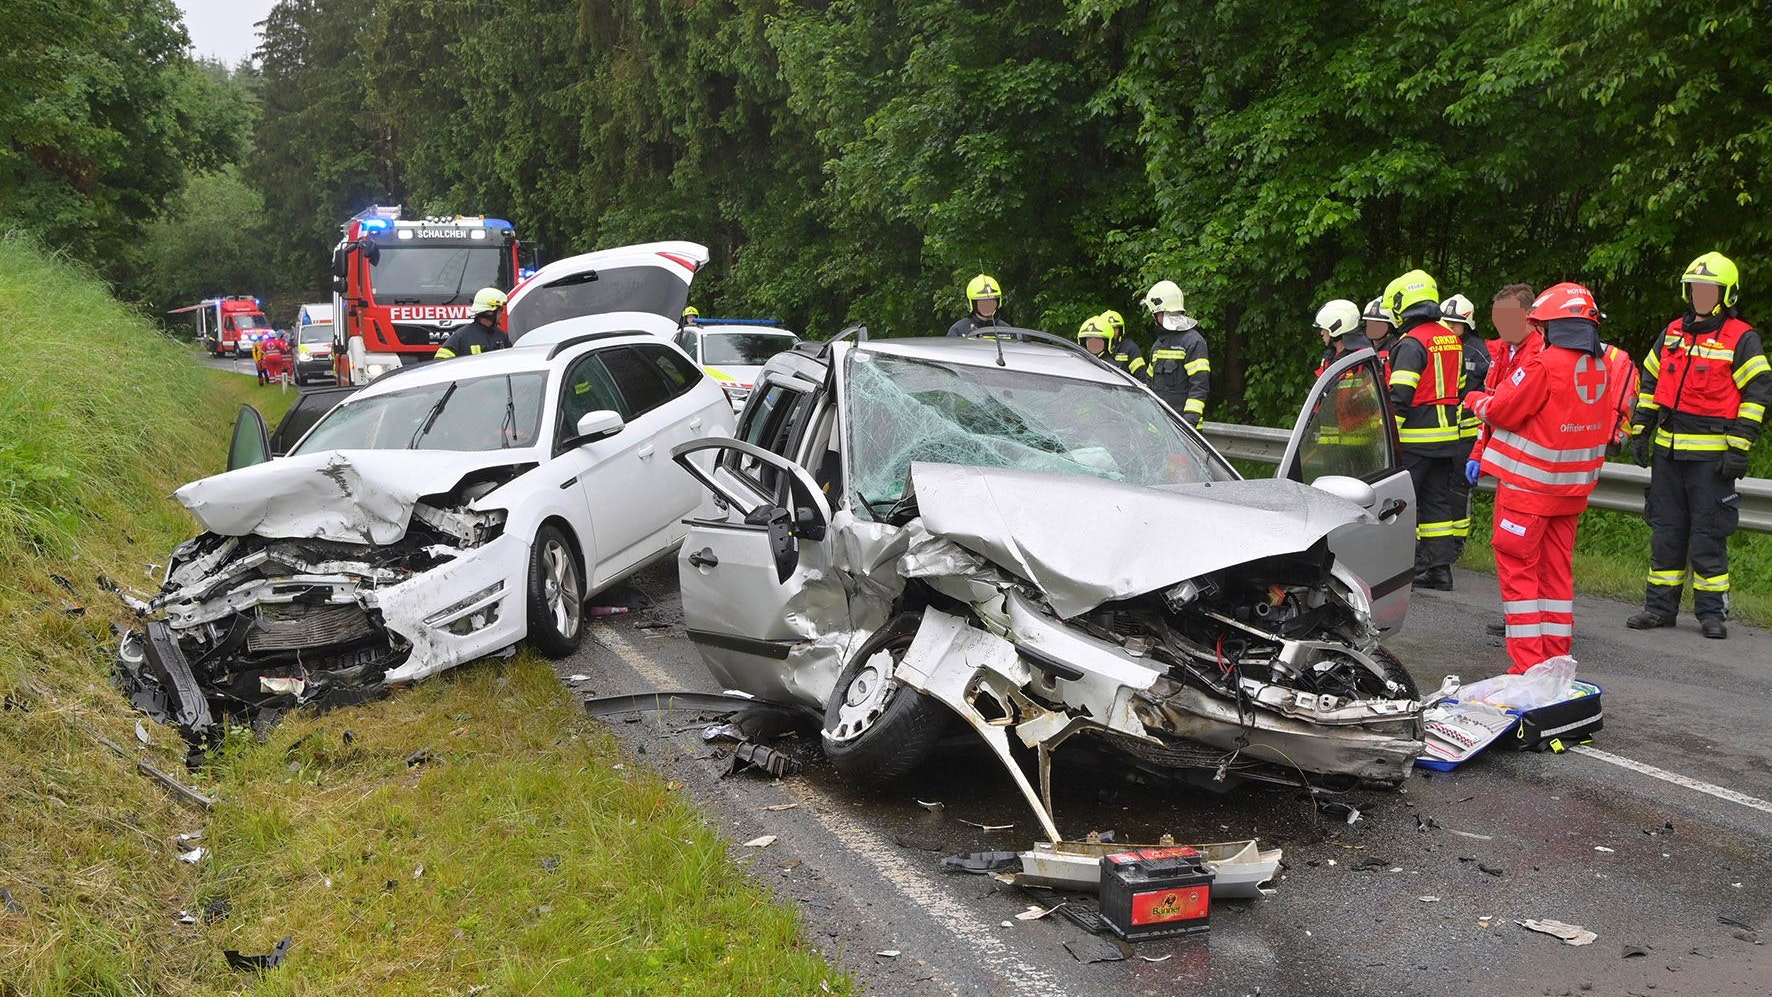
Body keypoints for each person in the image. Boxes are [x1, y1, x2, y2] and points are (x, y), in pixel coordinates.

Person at [1465, 282, 1631, 673]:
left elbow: (1503, 409)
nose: (1539, 331)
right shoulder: (1601, 364)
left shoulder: (1544, 364)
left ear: (1555, 325)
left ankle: (1528, 668)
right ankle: (1556, 661)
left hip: (1528, 492)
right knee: (1556, 574)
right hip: (1570, 492)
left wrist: (1475, 400)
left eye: (1542, 324)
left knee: (1519, 573)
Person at [1626, 252, 1769, 639]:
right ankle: (1659, 609)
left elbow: (1758, 392)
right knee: (1666, 533)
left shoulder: (1742, 338)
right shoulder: (1672, 332)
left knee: (1708, 536)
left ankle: (1711, 614)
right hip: (1668, 455)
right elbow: (1650, 382)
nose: (1700, 296)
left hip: (1711, 460)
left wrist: (1739, 446)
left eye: (1709, 290)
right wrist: (1641, 430)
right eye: (1695, 289)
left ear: (1727, 294)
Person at [1383, 269, 1465, 590]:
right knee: (1437, 503)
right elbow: (1459, 386)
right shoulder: (1450, 338)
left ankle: (1405, 568)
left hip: (1415, 439)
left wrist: (1390, 440)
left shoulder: (1412, 343)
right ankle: (1440, 572)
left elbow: (1400, 398)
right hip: (1447, 439)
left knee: (1400, 504)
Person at [1441, 294, 1492, 558]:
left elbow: (1489, 393)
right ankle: (1436, 543)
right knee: (1438, 487)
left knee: (1459, 489)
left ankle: (1456, 543)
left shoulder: (1480, 352)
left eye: (1455, 323)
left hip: (1468, 433)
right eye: (1446, 322)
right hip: (1441, 432)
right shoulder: (1438, 347)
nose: (1450, 327)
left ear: (1467, 324)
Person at [1143, 280, 1209, 426]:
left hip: (1185, 427)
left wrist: (1188, 424)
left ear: (1159, 312)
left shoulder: (1193, 342)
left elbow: (1199, 385)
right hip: (1160, 426)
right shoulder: (1158, 345)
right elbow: (1149, 385)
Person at [435, 288, 510, 359]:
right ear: (490, 312)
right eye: (501, 310)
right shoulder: (461, 337)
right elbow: (440, 363)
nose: (503, 313)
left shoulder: (502, 336)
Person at [1314, 298, 1370, 375]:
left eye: (1324, 329)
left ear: (1335, 327)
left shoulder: (1361, 357)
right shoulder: (1330, 355)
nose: (1321, 333)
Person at [1098, 309, 1146, 375]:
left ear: (1120, 330)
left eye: (1115, 328)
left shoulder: (1130, 348)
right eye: (1109, 328)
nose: (1113, 332)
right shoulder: (1096, 347)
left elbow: (1141, 375)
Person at [1364, 296, 1399, 377]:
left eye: (1378, 323)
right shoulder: (1364, 348)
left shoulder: (1396, 350)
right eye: (1369, 322)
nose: (1373, 327)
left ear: (1390, 326)